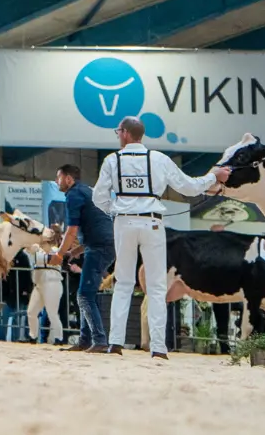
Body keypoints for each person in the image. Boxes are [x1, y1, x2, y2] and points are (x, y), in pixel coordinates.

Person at [93, 116, 214, 358]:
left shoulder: (112, 160)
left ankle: (115, 342)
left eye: (119, 132)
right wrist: (213, 177)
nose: (118, 136)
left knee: (124, 283)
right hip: (153, 222)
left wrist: (115, 210)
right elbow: (188, 186)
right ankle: (158, 348)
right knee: (157, 286)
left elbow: (99, 197)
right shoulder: (159, 159)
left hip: (124, 222)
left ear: (126, 133)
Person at [52, 163, 112, 351]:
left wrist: (59, 255)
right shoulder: (87, 191)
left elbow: (71, 231)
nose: (56, 181)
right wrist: (74, 252)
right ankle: (85, 341)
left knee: (84, 295)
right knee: (88, 294)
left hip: (100, 246)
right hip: (105, 244)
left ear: (68, 179)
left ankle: (99, 341)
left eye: (58, 177)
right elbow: (95, 229)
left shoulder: (73, 195)